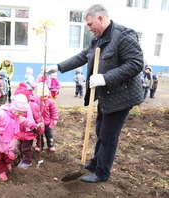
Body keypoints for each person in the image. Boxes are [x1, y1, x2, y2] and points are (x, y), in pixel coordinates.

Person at [45, 4, 144, 182]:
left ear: (101, 18)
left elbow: (136, 63)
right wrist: (58, 67)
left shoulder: (123, 35)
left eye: (90, 24)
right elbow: (83, 56)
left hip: (122, 95)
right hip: (107, 95)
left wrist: (105, 78)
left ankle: (102, 173)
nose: (89, 28)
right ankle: (95, 163)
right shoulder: (98, 38)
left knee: (108, 135)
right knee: (101, 130)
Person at [0, 94, 42, 181]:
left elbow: (25, 121)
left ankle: (7, 163)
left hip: (9, 139)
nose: (20, 114)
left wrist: (34, 125)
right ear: (14, 107)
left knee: (8, 154)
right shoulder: (0, 114)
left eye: (22, 113)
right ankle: (1, 171)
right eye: (19, 112)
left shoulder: (17, 115)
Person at [14, 82, 42, 169]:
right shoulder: (15, 107)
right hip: (19, 132)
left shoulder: (32, 106)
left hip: (29, 132)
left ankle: (27, 161)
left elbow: (38, 118)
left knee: (26, 148)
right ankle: (22, 158)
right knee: (20, 146)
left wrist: (39, 129)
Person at [35, 82, 59, 152]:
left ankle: (51, 145)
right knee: (39, 136)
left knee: (49, 135)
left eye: (45, 96)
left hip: (48, 123)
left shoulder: (50, 101)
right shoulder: (36, 101)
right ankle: (39, 146)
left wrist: (55, 119)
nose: (44, 98)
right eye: (41, 97)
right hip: (39, 123)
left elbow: (54, 111)